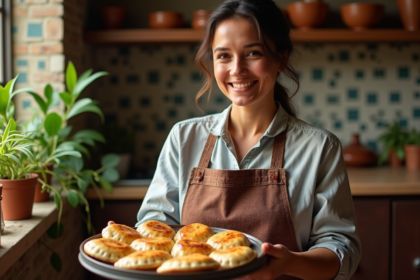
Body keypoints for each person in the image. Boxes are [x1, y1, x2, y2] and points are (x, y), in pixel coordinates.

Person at [135, 0, 361, 279]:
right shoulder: (184, 137)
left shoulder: (319, 147)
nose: (237, 69)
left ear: (282, 59)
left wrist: (289, 263)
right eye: (223, 56)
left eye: (253, 53)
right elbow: (154, 229)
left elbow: (342, 250)